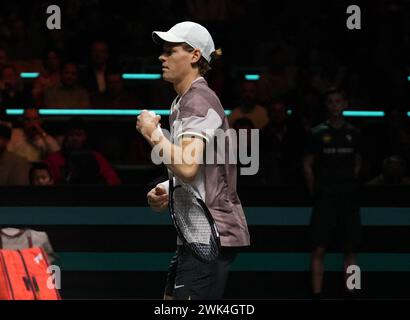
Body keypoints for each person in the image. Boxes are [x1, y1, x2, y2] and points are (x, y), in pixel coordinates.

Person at [136, 21, 250, 300]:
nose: (162, 57)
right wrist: (167, 186)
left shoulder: (198, 100)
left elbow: (187, 166)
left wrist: (152, 134)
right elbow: (197, 167)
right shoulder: (181, 101)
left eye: (171, 51)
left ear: (195, 56)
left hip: (212, 233)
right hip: (194, 233)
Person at [303, 88, 362, 299]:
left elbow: (358, 163)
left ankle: (353, 291)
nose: (334, 105)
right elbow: (307, 164)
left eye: (338, 101)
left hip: (348, 199)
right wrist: (316, 191)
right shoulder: (317, 133)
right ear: (326, 106)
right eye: (330, 102)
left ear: (345, 104)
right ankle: (317, 295)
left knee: (351, 251)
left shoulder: (355, 134)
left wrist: (348, 184)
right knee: (319, 250)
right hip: (325, 199)